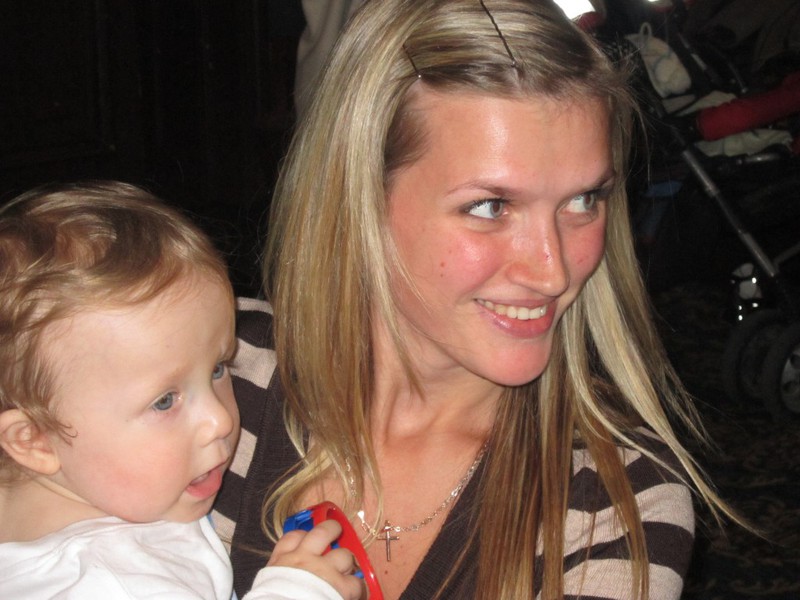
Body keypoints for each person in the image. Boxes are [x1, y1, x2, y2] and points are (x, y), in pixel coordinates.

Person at [212, 1, 743, 598]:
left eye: (583, 200)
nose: (552, 271)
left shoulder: (613, 507)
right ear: (359, 197)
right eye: (491, 207)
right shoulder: (209, 379)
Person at [0, 181, 363, 600]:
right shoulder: (110, 584)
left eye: (218, 368)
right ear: (35, 440)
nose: (220, 420)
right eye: (164, 401)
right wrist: (298, 590)